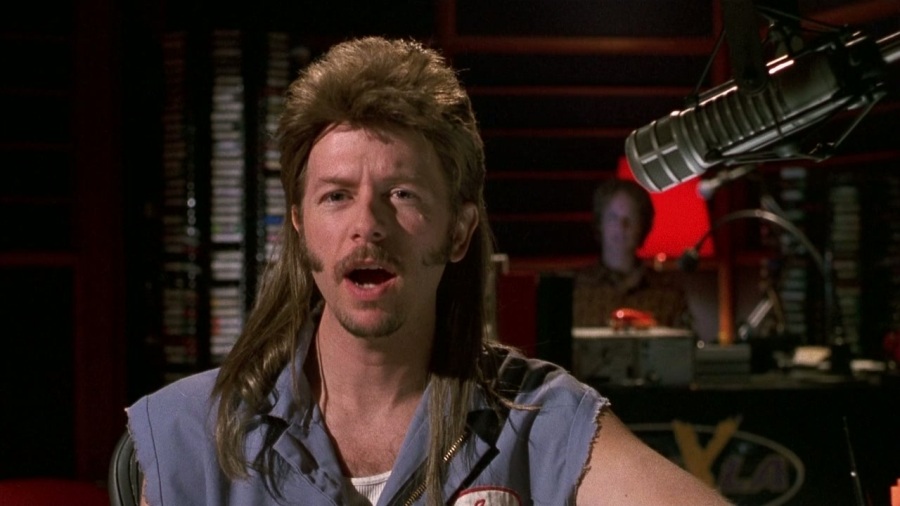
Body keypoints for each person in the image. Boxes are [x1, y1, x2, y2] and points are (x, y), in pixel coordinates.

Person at [126, 36, 730, 505]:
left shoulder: (537, 420)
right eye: (336, 196)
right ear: (300, 227)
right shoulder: (190, 433)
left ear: (459, 231)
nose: (368, 224)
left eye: (402, 194)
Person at [573, 178, 692, 329]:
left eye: (630, 218)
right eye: (613, 217)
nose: (621, 226)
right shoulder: (578, 288)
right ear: (600, 223)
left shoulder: (669, 292)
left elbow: (685, 340)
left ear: (643, 225)